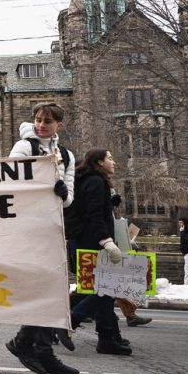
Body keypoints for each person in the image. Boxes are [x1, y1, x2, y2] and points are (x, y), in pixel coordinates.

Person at [4, 103, 79, 374]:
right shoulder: (24, 147)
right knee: (44, 286)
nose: (41, 125)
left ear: (59, 124)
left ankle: (41, 350)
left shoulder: (67, 156)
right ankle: (25, 342)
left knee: (56, 288)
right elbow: (10, 180)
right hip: (29, 225)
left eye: (47, 121)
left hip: (53, 226)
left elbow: (69, 200)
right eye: (38, 120)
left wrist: (60, 192)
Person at [68, 149, 132, 356]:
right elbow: (94, 215)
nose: (114, 162)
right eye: (110, 158)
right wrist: (107, 242)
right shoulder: (95, 182)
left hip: (88, 239)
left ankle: (106, 337)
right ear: (99, 161)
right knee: (105, 289)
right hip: (92, 242)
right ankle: (72, 319)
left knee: (104, 289)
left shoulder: (91, 180)